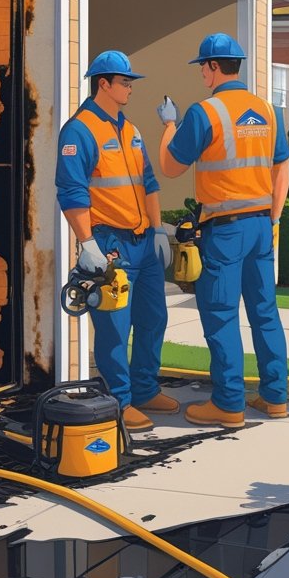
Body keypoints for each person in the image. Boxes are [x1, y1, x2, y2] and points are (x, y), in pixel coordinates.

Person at [157, 33, 289, 428]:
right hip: (262, 226)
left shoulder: (205, 113)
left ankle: (229, 404)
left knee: (220, 314)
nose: (202, 72)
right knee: (265, 312)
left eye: (203, 65)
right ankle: (274, 397)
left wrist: (168, 124)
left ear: (215, 67)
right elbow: (281, 167)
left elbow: (170, 166)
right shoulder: (268, 110)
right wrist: (275, 218)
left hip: (225, 230)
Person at [55, 50, 174, 432]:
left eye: (130, 82)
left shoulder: (131, 129)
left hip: (142, 243)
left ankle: (144, 388)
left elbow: (149, 184)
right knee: (113, 328)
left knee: (154, 318)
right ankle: (120, 401)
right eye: (124, 82)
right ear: (102, 83)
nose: (129, 88)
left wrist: (157, 229)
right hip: (110, 245)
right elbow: (72, 192)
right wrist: (87, 244)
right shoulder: (79, 131)